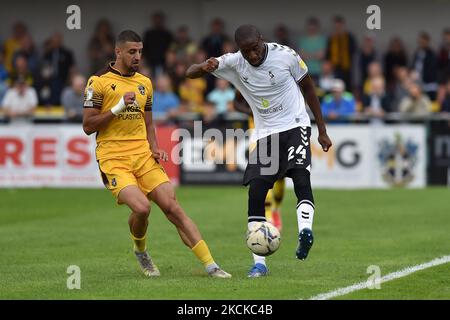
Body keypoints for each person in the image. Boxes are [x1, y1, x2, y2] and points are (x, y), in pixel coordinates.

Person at [82, 30, 231, 278]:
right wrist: (118, 107)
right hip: (113, 158)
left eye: (140, 51)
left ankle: (212, 266)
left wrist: (154, 146)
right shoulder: (97, 82)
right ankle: (141, 251)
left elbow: (148, 123)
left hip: (143, 155)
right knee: (141, 209)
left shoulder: (145, 83)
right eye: (132, 51)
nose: (137, 56)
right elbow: (88, 126)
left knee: (173, 208)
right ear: (118, 52)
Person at [186, 24, 332, 277]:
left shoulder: (286, 55)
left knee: (300, 176)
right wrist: (202, 67)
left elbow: (309, 89)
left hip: (296, 123)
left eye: (254, 49)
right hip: (266, 133)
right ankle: (259, 264)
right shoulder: (233, 62)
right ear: (238, 50)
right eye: (246, 51)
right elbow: (190, 73)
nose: (252, 56)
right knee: (256, 192)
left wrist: (322, 130)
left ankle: (305, 231)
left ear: (261, 40)